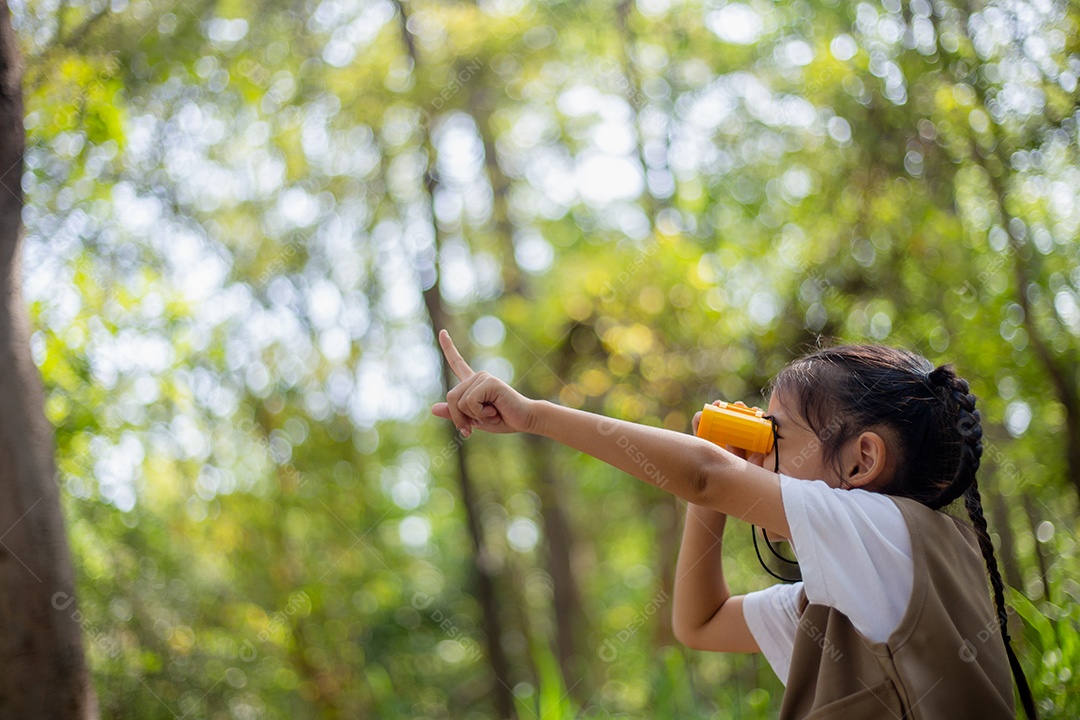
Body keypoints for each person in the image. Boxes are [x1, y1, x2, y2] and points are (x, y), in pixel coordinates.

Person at [430, 330, 1037, 719]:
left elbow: (704, 474)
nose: (759, 457)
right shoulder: (843, 595)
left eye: (776, 436)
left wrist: (532, 414)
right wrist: (719, 485)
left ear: (861, 460)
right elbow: (699, 623)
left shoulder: (892, 536)